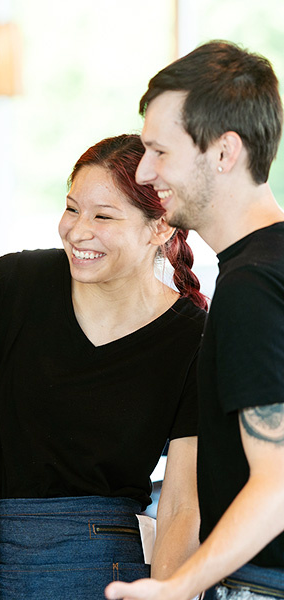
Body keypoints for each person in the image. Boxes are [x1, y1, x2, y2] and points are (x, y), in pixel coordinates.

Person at [0, 133, 208, 598]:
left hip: (109, 568)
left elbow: (181, 506)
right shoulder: (16, 284)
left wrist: (165, 594)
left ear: (161, 227)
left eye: (103, 216)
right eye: (71, 208)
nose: (77, 230)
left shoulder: (193, 337)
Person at [105, 41, 284, 600]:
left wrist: (180, 585)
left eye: (159, 150)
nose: (144, 169)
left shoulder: (252, 286)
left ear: (224, 152)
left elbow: (278, 483)